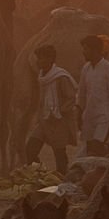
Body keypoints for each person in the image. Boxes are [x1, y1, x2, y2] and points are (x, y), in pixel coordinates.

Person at [25, 44, 77, 174]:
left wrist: (59, 112)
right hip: (44, 120)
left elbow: (71, 98)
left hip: (59, 121)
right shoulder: (42, 77)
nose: (39, 61)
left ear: (50, 59)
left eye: (42, 58)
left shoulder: (61, 77)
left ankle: (61, 183)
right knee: (30, 149)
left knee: (59, 155)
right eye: (38, 58)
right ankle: (40, 175)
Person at [75, 34, 109, 157]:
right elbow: (81, 94)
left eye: (86, 49)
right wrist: (78, 112)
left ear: (95, 50)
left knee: (96, 148)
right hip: (89, 117)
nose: (83, 52)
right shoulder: (86, 69)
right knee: (90, 150)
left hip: (104, 117)